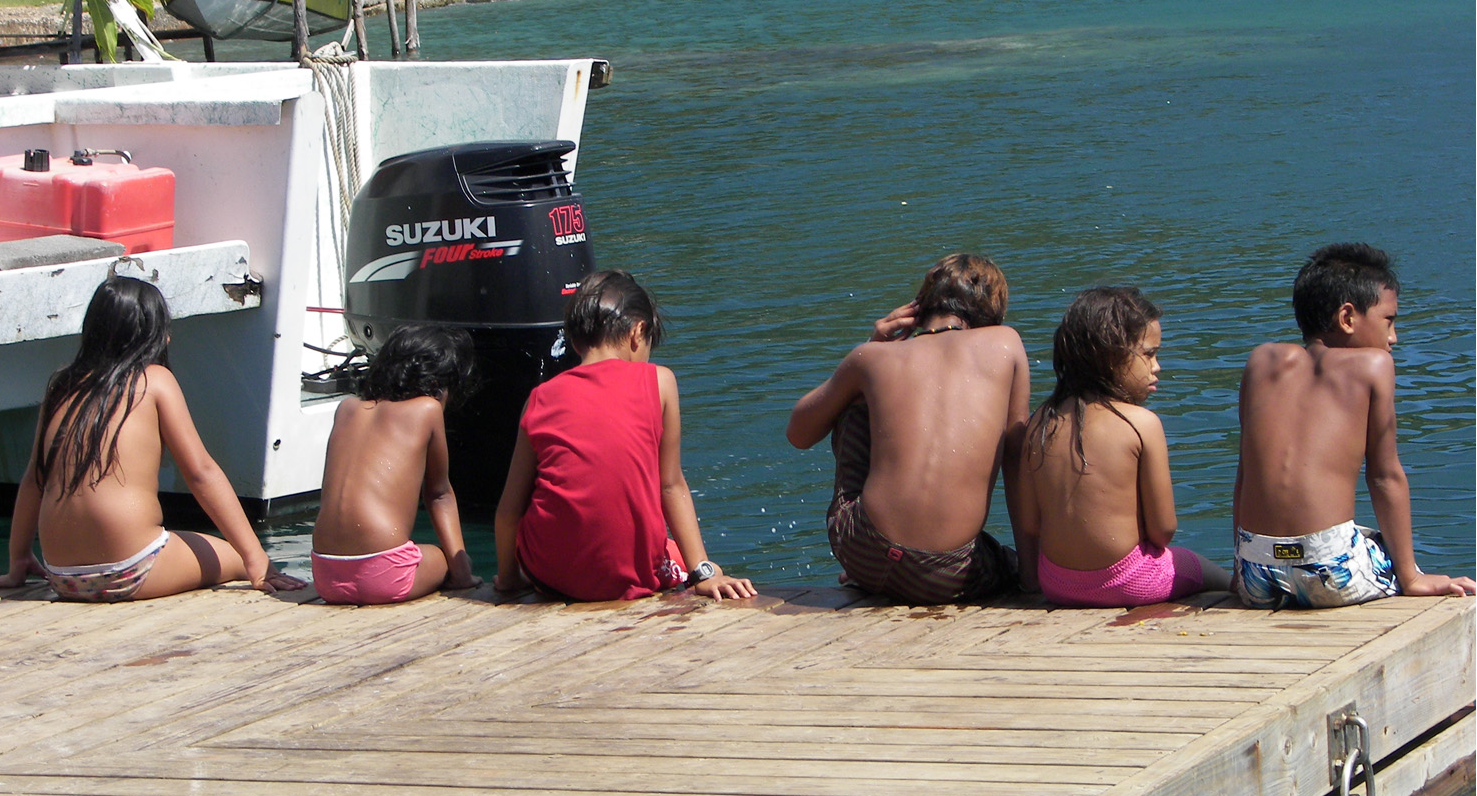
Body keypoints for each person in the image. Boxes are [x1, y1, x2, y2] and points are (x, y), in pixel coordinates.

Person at [0, 276, 303, 601]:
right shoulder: (156, 380)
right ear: (153, 336)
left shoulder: (62, 386)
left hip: (61, 576)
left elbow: (33, 481)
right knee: (236, 557)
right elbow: (200, 473)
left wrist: (19, 559)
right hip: (132, 569)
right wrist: (255, 558)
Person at [1234, 243, 1474, 607]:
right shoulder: (1372, 366)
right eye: (1389, 321)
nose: (1393, 338)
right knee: (1381, 546)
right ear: (1347, 318)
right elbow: (1384, 476)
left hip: (1256, 573)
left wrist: (1240, 569)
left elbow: (1245, 473)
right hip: (1330, 572)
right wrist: (1410, 576)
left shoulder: (1260, 362)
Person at [493, 269, 755, 603]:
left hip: (550, 575)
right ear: (638, 332)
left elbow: (508, 512)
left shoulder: (539, 397)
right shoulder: (659, 381)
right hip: (628, 576)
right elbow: (670, 485)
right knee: (685, 558)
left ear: (575, 340)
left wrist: (508, 578)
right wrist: (703, 572)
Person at [786, 254, 1027, 605]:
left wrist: (872, 347)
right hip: (947, 574)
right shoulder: (1006, 344)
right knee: (1005, 562)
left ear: (917, 308)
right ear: (992, 315)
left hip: (863, 553)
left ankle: (874, 573)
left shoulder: (872, 358)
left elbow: (798, 433)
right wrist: (1030, 574)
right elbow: (1017, 463)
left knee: (854, 400)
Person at [1014, 288, 1232, 607]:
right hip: (1129, 581)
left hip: (1056, 582)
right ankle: (1241, 595)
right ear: (1111, 354)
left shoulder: (1040, 422)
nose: (1157, 366)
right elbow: (1163, 531)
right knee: (1208, 572)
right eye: (1149, 354)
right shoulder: (1141, 424)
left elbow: (1031, 523)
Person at [312, 325, 479, 605]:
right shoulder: (427, 409)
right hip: (385, 576)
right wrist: (461, 573)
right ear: (439, 385)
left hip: (326, 577)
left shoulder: (347, 408)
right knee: (440, 556)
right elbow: (439, 494)